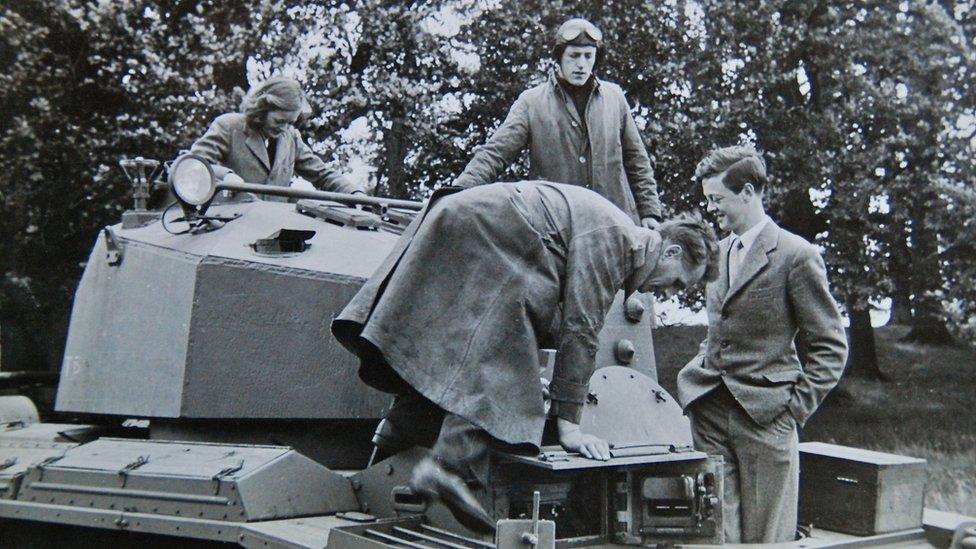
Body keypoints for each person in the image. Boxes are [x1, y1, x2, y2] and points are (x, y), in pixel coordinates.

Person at [332, 181, 718, 534]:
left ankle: (396, 438)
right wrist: (570, 427)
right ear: (671, 251)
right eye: (678, 281)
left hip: (468, 223)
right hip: (488, 232)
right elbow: (581, 330)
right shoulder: (618, 242)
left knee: (455, 354)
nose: (668, 292)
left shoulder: (619, 238)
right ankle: (448, 467)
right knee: (507, 347)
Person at [675, 146, 848, 543]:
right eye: (707, 200)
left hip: (767, 418)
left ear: (748, 192)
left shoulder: (796, 255)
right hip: (711, 412)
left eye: (717, 199)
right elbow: (719, 330)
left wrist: (793, 411)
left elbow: (830, 345)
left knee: (766, 538)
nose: (711, 209)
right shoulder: (718, 253)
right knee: (716, 536)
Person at [452, 18, 663, 228]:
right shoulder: (531, 102)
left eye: (588, 56)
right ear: (559, 57)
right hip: (556, 229)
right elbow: (495, 154)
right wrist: (458, 193)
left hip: (615, 226)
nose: (581, 64)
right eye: (574, 55)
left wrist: (650, 213)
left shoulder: (615, 98)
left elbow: (637, 161)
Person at [188, 76, 364, 201]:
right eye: (280, 121)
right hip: (228, 225)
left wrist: (355, 195)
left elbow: (321, 174)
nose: (284, 128)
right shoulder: (229, 126)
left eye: (290, 123)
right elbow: (194, 164)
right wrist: (227, 177)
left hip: (272, 235)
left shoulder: (291, 138)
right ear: (262, 109)